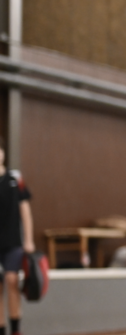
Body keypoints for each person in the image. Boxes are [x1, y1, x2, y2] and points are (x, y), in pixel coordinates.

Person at [0, 138, 33, 335]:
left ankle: (16, 330)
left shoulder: (15, 178)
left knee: (12, 281)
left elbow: (25, 211)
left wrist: (28, 239)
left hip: (13, 243)